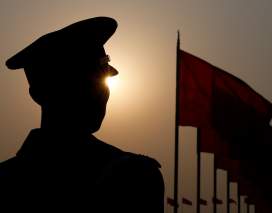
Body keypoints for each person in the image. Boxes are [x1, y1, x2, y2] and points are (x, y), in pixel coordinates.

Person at [0, 17, 164, 212]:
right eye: (83, 82)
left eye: (102, 81)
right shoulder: (133, 176)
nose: (100, 92)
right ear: (41, 93)